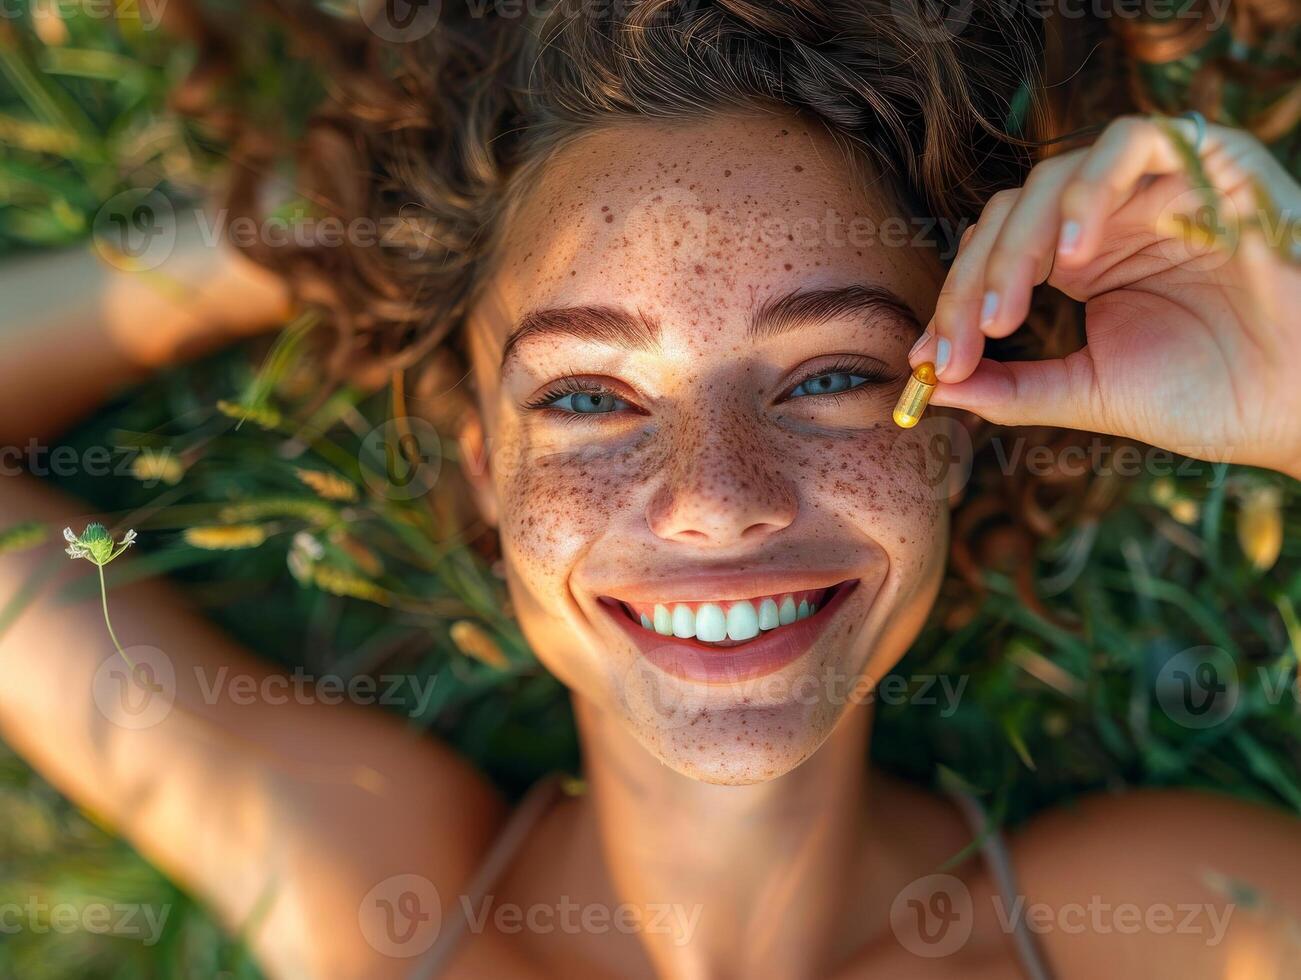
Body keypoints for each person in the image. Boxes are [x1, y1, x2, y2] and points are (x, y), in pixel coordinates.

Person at [1, 2, 1299, 977]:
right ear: (478, 463)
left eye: (828, 377)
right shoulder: (383, 902)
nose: (716, 498)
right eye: (584, 397)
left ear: (954, 430)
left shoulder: (1171, 919)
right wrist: (313, 235)